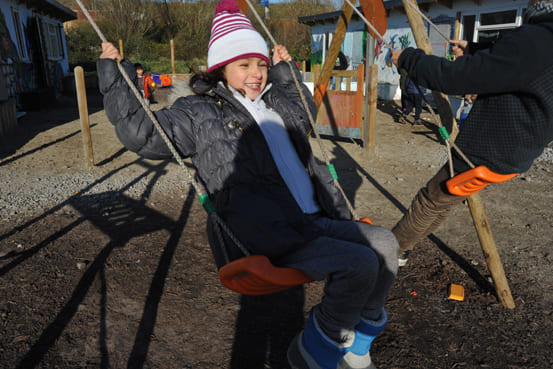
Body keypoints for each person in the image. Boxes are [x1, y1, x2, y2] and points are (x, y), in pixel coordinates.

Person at [97, 1, 399, 368]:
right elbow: (141, 133)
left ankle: (358, 345)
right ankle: (318, 350)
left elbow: (304, 114)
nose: (255, 73)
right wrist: (117, 76)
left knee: (384, 244)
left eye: (261, 65)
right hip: (266, 235)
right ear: (220, 69)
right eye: (244, 65)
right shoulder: (200, 113)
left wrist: (285, 73)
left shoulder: (275, 102)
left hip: (313, 218)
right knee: (359, 263)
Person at [390, 0, 553, 266]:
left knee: (431, 199)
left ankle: (388, 252)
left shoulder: (539, 39)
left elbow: (456, 77)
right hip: (518, 152)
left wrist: (409, 59)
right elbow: (515, 63)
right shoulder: (541, 40)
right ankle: (401, 248)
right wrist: (477, 48)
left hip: (492, 147)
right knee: (444, 199)